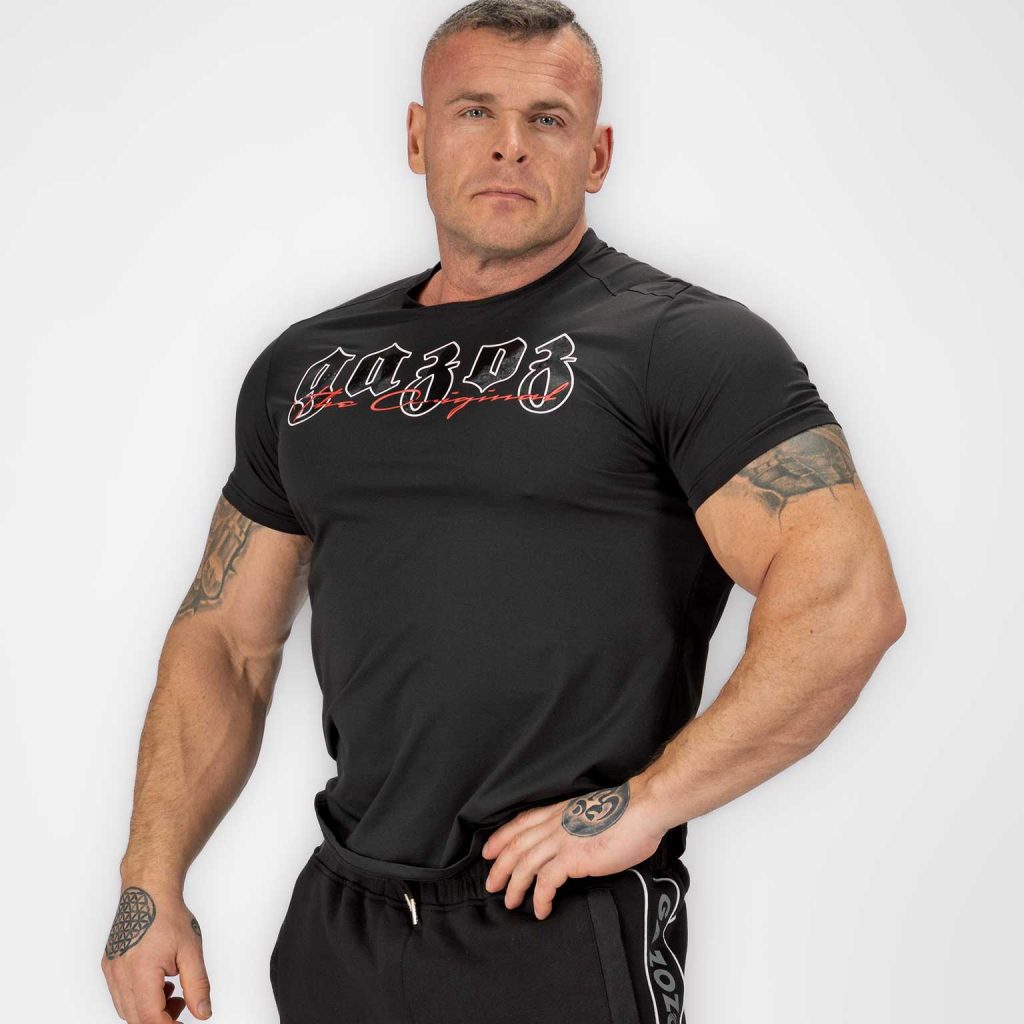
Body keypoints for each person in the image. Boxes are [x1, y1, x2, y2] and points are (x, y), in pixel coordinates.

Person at [100, 1, 907, 1022]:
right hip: (341, 925)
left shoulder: (686, 344)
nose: (509, 145)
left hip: (554, 917)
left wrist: (647, 805)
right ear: (417, 136)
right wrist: (150, 879)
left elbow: (846, 598)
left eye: (548, 119)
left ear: (597, 154)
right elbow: (226, 638)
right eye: (474, 110)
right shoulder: (306, 368)